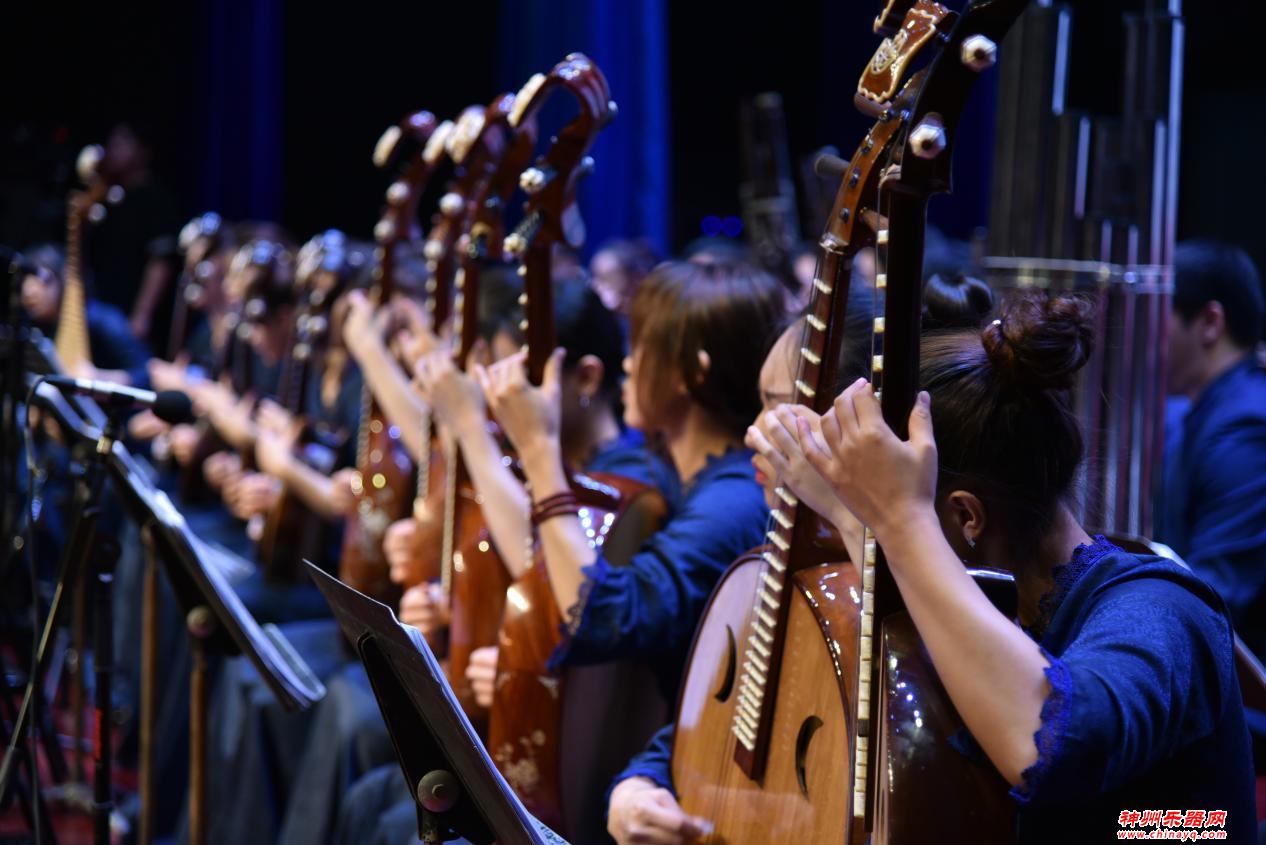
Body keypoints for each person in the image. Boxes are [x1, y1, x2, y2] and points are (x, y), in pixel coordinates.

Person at [611, 292, 1255, 843]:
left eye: (881, 518)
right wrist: (643, 782)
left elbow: (1083, 761)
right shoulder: (951, 586)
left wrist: (895, 524)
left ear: (964, 518)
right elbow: (753, 707)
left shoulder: (1157, 608)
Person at [1156, 241, 1266, 663]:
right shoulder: (1200, 409)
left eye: (1154, 316)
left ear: (1209, 322)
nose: (1141, 336)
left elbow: (1212, 597)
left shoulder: (1246, 432)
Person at [20, 242, 151, 386]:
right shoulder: (35, 328)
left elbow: (147, 373)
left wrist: (100, 377)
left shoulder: (101, 320)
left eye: (43, 280)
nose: (30, 291)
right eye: (25, 282)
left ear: (64, 278)